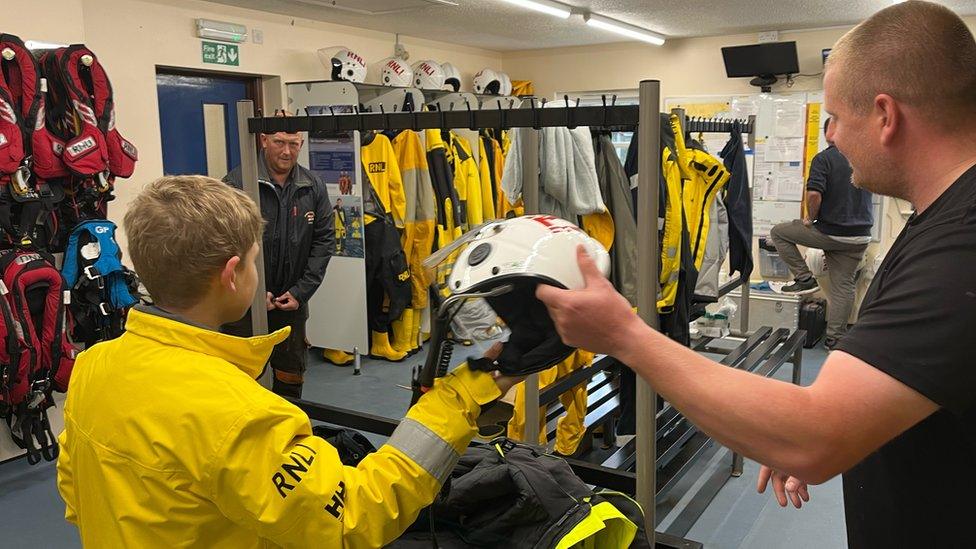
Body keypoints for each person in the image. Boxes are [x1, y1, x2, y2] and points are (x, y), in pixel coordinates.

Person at [536, 2, 976, 546]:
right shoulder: (942, 217)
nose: (831, 135)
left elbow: (815, 435)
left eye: (835, 116)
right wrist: (800, 432)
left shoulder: (961, 243)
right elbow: (897, 386)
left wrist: (623, 335)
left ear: (886, 116)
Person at [56, 176, 521, 547]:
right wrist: (462, 395)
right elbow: (354, 518)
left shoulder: (95, 365)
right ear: (232, 274)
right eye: (254, 260)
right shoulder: (242, 415)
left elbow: (77, 496)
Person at [223, 121, 334, 398]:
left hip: (291, 305)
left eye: (293, 144)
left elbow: (324, 242)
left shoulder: (313, 186)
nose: (286, 151)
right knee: (242, 380)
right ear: (263, 140)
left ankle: (286, 434)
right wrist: (250, 293)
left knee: (290, 378)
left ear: (301, 144)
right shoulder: (237, 184)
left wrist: (301, 292)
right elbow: (224, 245)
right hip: (244, 307)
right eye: (279, 142)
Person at [769, 118, 874, 348]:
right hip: (859, 237)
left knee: (779, 233)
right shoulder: (863, 157)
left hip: (831, 232)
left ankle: (804, 279)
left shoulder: (824, 158)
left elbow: (814, 194)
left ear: (830, 132)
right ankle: (835, 339)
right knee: (843, 286)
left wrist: (811, 218)